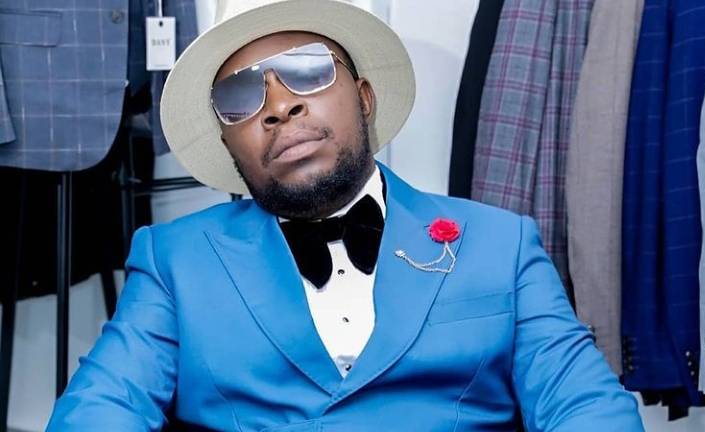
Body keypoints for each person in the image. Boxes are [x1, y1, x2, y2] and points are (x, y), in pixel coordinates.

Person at [45, 1, 646, 431]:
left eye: (308, 71)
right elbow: (101, 406)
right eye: (240, 96)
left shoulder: (500, 243)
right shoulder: (174, 259)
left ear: (364, 97)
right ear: (229, 144)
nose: (280, 106)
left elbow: (586, 405)